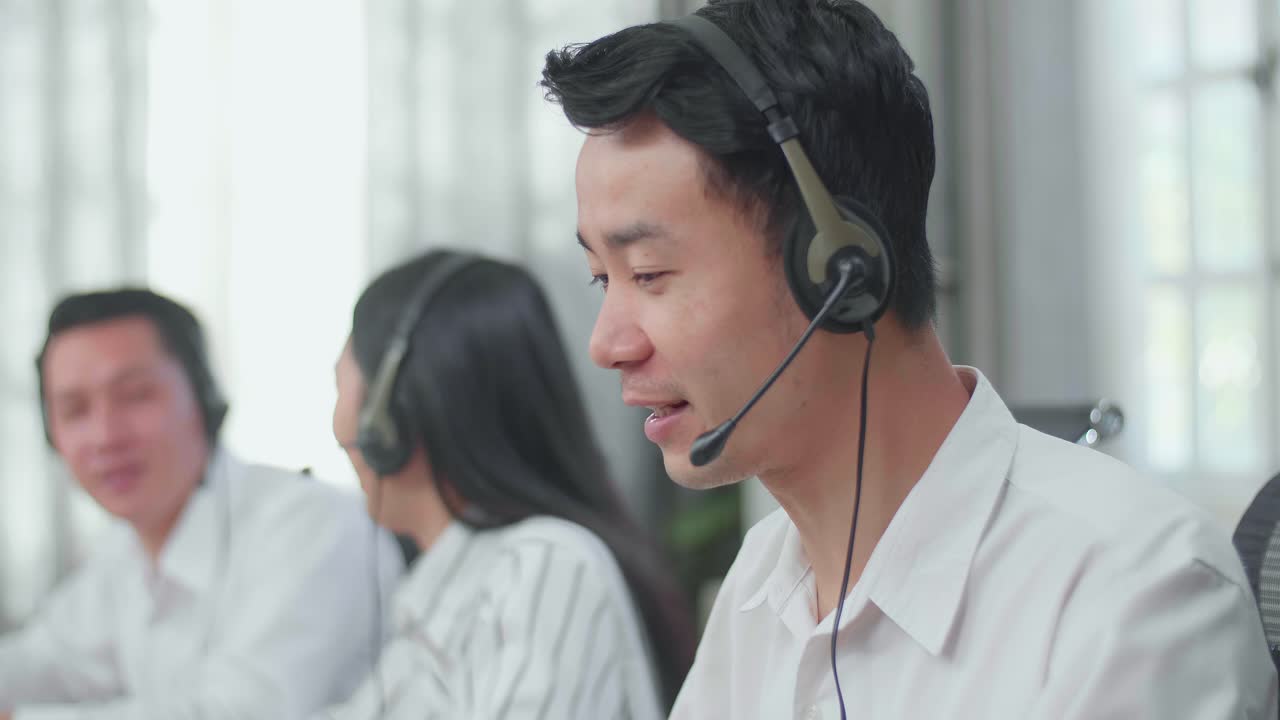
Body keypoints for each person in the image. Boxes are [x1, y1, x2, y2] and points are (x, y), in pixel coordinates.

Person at [539, 0, 1279, 717]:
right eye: (603, 280)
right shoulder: (763, 583)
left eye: (649, 275)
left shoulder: (1133, 593)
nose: (608, 343)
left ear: (837, 266)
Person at [320, 249, 695, 720]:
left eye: (340, 386)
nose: (337, 428)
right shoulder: (438, 597)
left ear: (387, 420)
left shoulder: (542, 566)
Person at [0, 288, 397, 720]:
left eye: (135, 396)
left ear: (203, 397)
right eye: (74, 411)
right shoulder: (123, 551)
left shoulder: (312, 527)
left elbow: (240, 712)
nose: (105, 436)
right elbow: (46, 660)